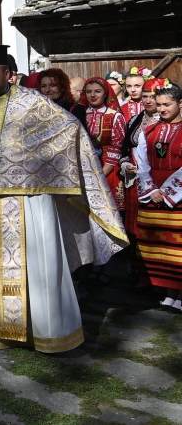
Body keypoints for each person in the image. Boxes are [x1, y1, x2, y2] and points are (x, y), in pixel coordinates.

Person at [0, 44, 127, 352]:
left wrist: (45, 168)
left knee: (37, 263)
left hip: (30, 200)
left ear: (8, 74)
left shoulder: (35, 103)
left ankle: (43, 331)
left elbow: (70, 129)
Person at [131, 83, 182, 312]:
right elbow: (141, 163)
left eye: (167, 104)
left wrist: (170, 192)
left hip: (177, 195)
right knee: (161, 247)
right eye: (159, 105)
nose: (161, 109)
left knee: (178, 247)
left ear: (180, 104)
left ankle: (180, 294)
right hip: (154, 193)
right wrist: (152, 190)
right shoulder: (150, 131)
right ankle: (169, 293)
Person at [121, 78, 166, 244]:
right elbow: (124, 149)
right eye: (145, 96)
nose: (148, 100)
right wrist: (125, 164)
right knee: (136, 228)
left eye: (152, 96)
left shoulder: (169, 121)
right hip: (135, 181)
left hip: (161, 179)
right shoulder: (135, 121)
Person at [78, 77, 127, 209]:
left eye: (97, 91)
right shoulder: (78, 114)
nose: (93, 95)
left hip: (108, 169)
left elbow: (116, 149)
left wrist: (100, 175)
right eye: (89, 92)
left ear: (105, 93)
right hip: (82, 169)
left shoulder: (115, 116)